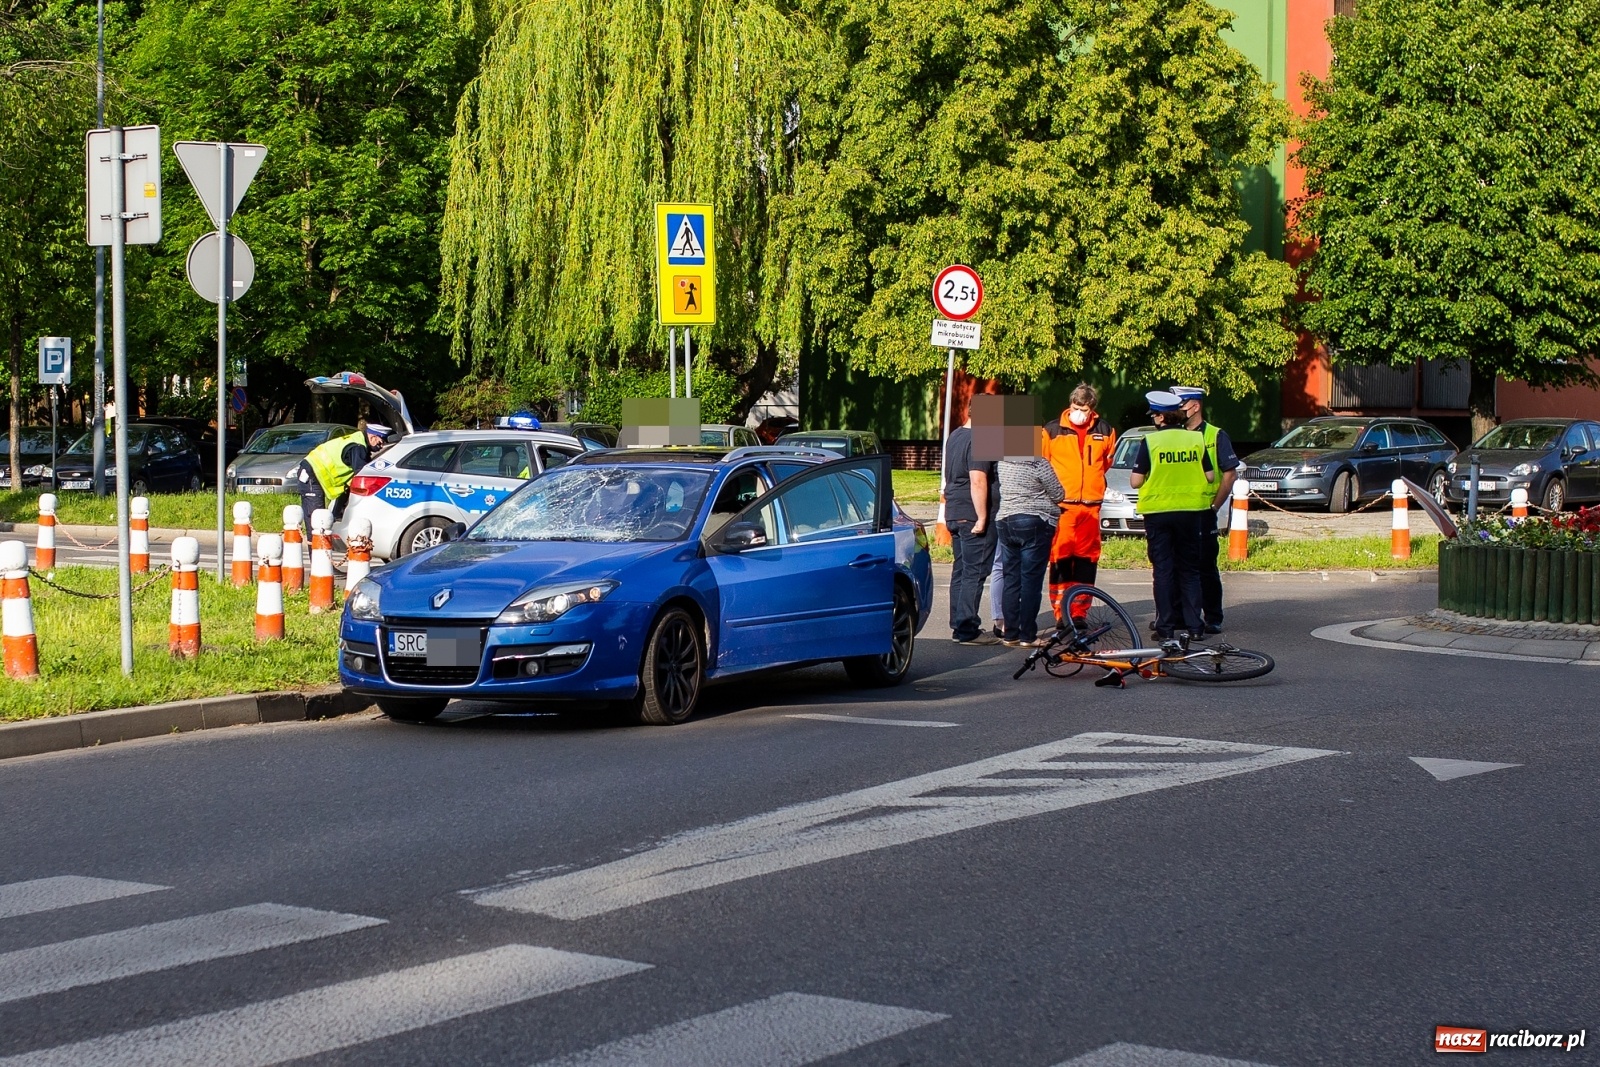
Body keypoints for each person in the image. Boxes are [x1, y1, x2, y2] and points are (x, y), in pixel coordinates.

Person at [1130, 392, 1214, 644]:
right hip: (1190, 512)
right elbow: (1210, 476)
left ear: (1161, 417)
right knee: (1189, 570)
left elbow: (1136, 481)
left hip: (1158, 514)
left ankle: (1165, 627)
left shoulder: (1151, 442)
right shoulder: (1196, 439)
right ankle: (1195, 626)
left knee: (1163, 571)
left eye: (1154, 414)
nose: (1153, 418)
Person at [1042, 383, 1117, 622]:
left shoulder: (1105, 430)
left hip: (1091, 508)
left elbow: (1106, 463)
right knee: (1061, 559)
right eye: (1075, 407)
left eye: (1083, 409)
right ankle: (1061, 612)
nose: (1078, 413)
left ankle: (1079, 613)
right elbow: (1042, 465)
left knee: (1086, 561)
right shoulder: (1052, 431)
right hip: (1062, 507)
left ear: (1092, 409)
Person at [1170, 385, 1240, 633]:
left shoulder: (1215, 435)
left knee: (1205, 567)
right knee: (1178, 565)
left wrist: (1214, 506)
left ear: (1195, 405)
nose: (1177, 410)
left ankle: (1213, 617)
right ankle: (1179, 616)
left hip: (1203, 512)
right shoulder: (1174, 434)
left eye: (1181, 404)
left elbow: (1229, 475)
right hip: (1179, 511)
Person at [994, 442, 1065, 647]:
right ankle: (1028, 635)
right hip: (1034, 521)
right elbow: (1059, 494)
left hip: (1005, 521)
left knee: (1011, 579)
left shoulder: (1003, 462)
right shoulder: (1038, 463)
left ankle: (1011, 633)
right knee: (1031, 581)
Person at [943, 409, 1001, 644]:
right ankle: (967, 628)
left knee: (960, 570)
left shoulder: (955, 435)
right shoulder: (980, 438)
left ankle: (958, 625)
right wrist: (982, 517)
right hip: (971, 513)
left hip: (955, 510)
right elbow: (978, 480)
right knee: (974, 572)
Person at [295, 423, 392, 522]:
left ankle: (320, 534)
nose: (382, 446)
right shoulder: (358, 447)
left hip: (312, 470)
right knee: (316, 516)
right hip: (312, 471)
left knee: (317, 516)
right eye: (381, 442)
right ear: (372, 437)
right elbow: (361, 474)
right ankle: (315, 537)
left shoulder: (357, 440)